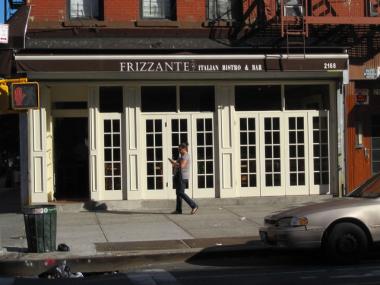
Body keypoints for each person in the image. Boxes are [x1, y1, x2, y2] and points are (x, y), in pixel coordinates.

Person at [169, 143, 198, 215]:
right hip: (179, 176)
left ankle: (194, 205)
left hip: (183, 176)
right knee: (178, 193)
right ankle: (178, 210)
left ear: (184, 149)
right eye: (178, 149)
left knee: (181, 192)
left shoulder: (185, 156)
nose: (179, 150)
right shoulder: (181, 156)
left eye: (180, 149)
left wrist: (175, 163)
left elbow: (182, 166)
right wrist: (172, 162)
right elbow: (177, 163)